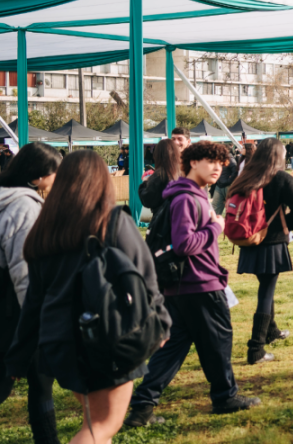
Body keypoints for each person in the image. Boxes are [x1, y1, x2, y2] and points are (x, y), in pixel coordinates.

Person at [6, 151, 171, 444]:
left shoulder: (45, 231)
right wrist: (161, 323)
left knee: (93, 422)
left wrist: (19, 357)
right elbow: (146, 280)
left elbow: (33, 301)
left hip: (60, 343)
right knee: (101, 427)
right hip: (106, 337)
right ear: (101, 182)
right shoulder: (113, 222)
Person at [126, 141, 259, 426]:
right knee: (219, 343)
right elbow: (185, 243)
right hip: (199, 283)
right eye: (210, 161)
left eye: (220, 163)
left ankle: (141, 408)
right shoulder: (188, 198)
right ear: (191, 163)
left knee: (173, 348)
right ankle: (225, 397)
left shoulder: (189, 194)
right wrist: (215, 227)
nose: (217, 168)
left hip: (181, 285)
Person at [0, 143, 62, 444]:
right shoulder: (23, 206)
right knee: (38, 380)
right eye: (55, 173)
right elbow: (24, 267)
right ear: (37, 176)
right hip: (14, 306)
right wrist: (38, 317)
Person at [229, 138, 293, 364]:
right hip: (271, 243)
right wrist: (284, 226)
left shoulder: (246, 177)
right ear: (279, 156)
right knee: (266, 292)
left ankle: (272, 331)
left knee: (265, 286)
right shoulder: (281, 178)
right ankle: (256, 348)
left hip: (249, 240)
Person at [138, 139, 182, 216]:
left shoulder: (159, 175)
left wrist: (145, 183)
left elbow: (147, 200)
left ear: (158, 154)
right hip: (180, 218)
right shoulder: (183, 172)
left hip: (163, 220)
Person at [210, 145, 239, 216]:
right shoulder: (221, 158)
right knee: (215, 206)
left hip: (227, 186)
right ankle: (214, 223)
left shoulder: (229, 158)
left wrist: (229, 181)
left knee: (230, 206)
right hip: (219, 185)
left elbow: (235, 170)